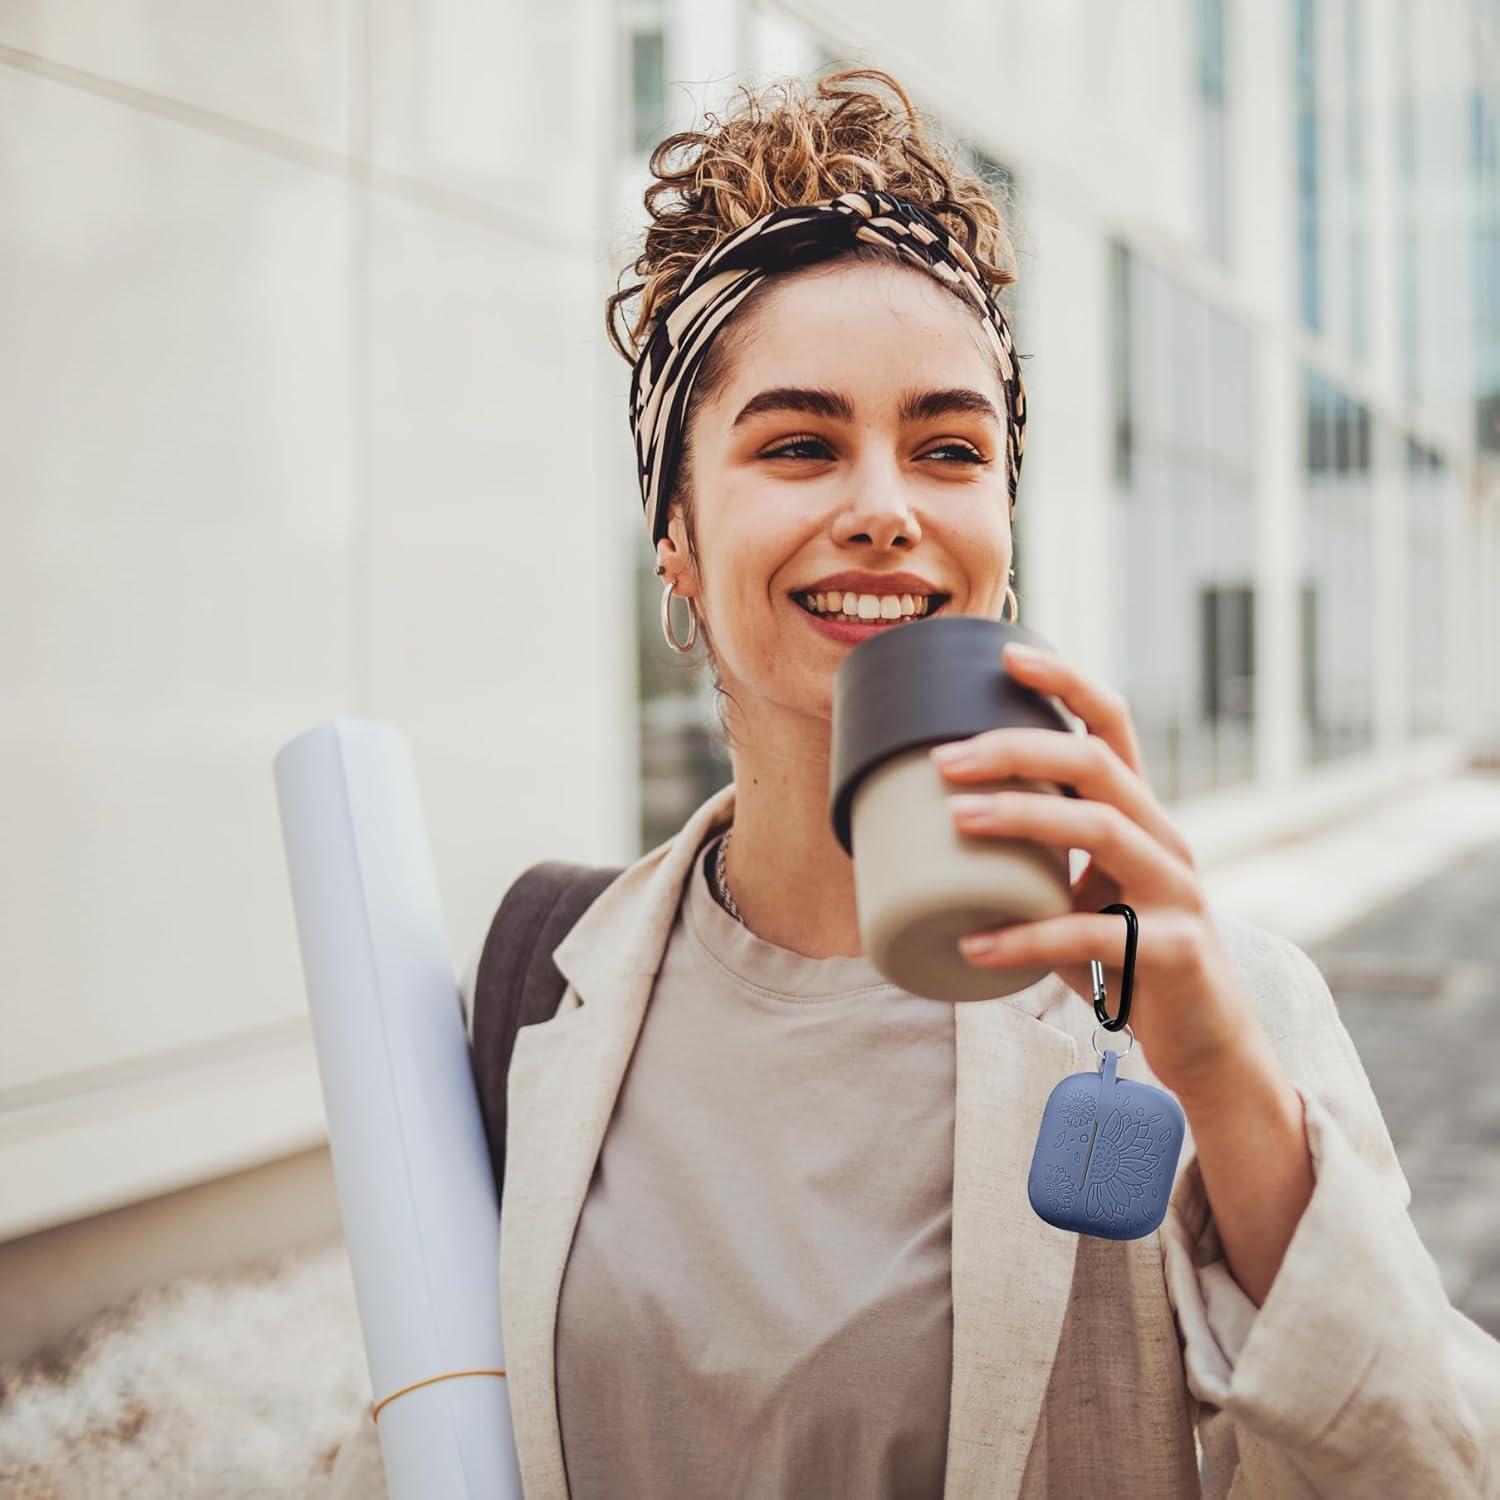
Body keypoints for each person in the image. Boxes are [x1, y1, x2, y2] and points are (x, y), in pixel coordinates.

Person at [329, 66, 1500, 1499]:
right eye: (799, 444)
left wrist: (1227, 1086)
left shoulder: (1212, 1001)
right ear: (677, 534)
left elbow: (1433, 1468)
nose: (885, 507)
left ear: (1003, 524)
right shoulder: (549, 992)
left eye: (950, 448)